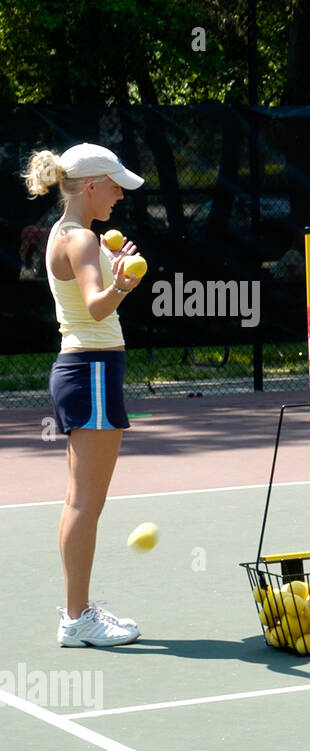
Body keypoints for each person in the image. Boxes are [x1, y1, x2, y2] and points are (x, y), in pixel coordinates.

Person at [25, 143, 147, 647]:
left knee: (80, 501)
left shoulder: (66, 234)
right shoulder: (79, 239)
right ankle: (77, 618)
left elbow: (86, 297)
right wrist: (120, 282)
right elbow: (97, 307)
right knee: (86, 504)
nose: (120, 194)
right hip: (91, 368)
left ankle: (78, 613)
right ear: (91, 185)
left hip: (84, 368)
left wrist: (109, 266)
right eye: (114, 184)